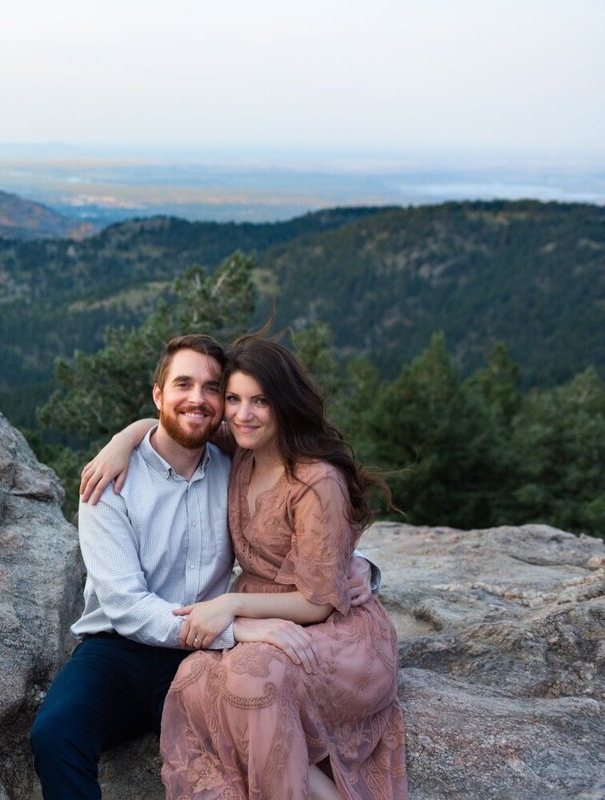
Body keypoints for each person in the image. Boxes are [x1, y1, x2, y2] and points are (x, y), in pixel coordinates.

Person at [29, 334, 378, 800]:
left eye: (212, 388)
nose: (197, 399)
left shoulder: (235, 462)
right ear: (158, 395)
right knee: (54, 735)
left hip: (200, 659)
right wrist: (236, 629)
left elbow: (296, 523)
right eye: (182, 384)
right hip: (119, 652)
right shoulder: (111, 481)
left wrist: (361, 570)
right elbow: (126, 607)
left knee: (245, 736)